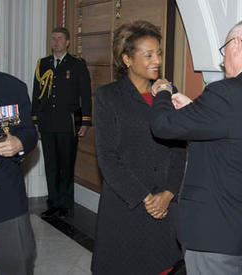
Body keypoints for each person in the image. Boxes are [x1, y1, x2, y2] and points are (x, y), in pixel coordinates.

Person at [150, 19, 242, 275]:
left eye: (224, 52)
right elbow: (239, 131)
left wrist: (164, 92)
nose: (223, 62)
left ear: (237, 44)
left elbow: (163, 125)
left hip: (217, 233)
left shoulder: (226, 92)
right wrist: (194, 110)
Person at [91, 20, 187, 275]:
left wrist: (167, 194)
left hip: (164, 204)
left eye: (159, 53)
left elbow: (179, 150)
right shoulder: (107, 97)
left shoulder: (168, 92)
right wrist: (146, 199)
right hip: (128, 203)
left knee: (162, 264)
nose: (156, 60)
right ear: (127, 59)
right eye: (148, 55)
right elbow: (108, 158)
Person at [0, 24, 37, 275]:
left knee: (17, 264)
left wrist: (19, 143)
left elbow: (29, 132)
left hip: (4, 190)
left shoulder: (12, 88)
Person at [31, 27, 92, 219]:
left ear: (67, 42)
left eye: (60, 38)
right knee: (51, 165)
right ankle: (53, 203)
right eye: (53, 38)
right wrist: (34, 120)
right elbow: (36, 94)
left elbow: (86, 95)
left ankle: (65, 204)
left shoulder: (76, 64)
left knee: (66, 164)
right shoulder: (43, 64)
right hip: (47, 122)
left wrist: (86, 121)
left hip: (67, 123)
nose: (56, 42)